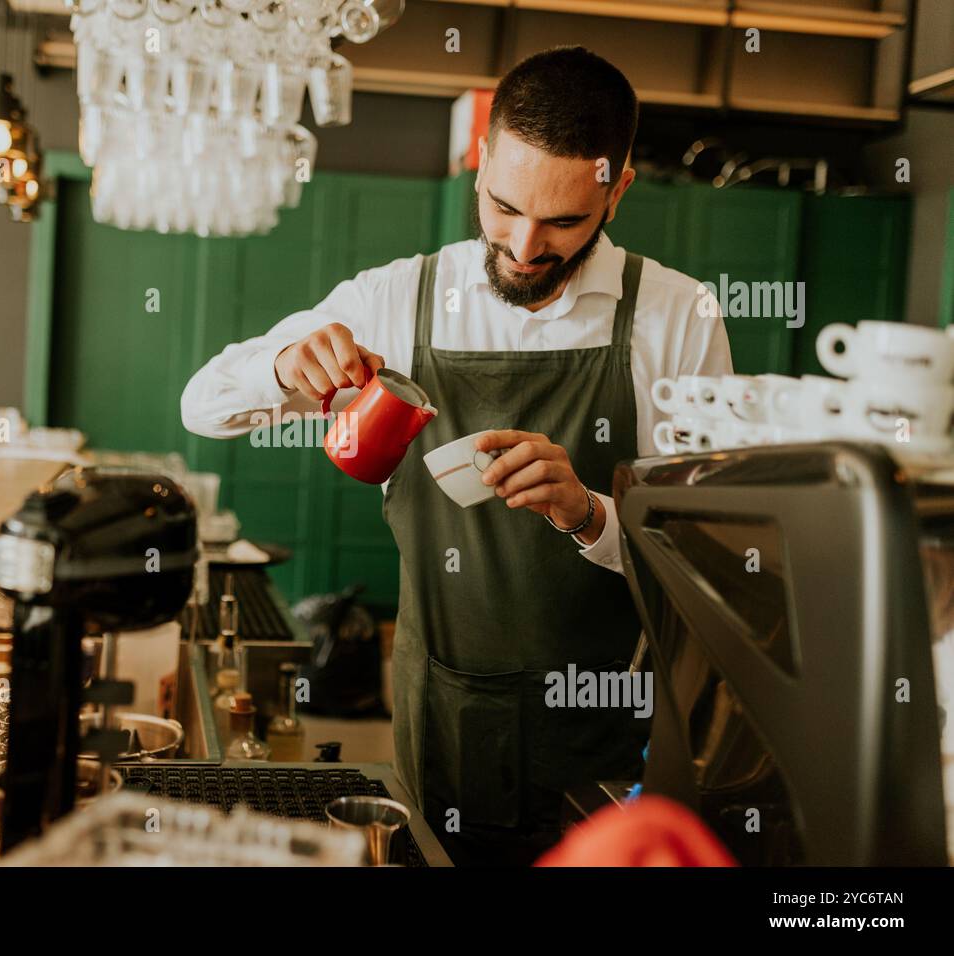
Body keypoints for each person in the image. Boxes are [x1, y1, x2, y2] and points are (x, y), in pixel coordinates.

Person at [181, 46, 733, 865]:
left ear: (617, 190)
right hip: (441, 721)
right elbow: (201, 404)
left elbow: (711, 560)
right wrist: (284, 365)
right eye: (503, 206)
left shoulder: (678, 316)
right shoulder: (397, 297)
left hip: (609, 738)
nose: (521, 245)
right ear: (481, 165)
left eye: (564, 222)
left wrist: (591, 516)